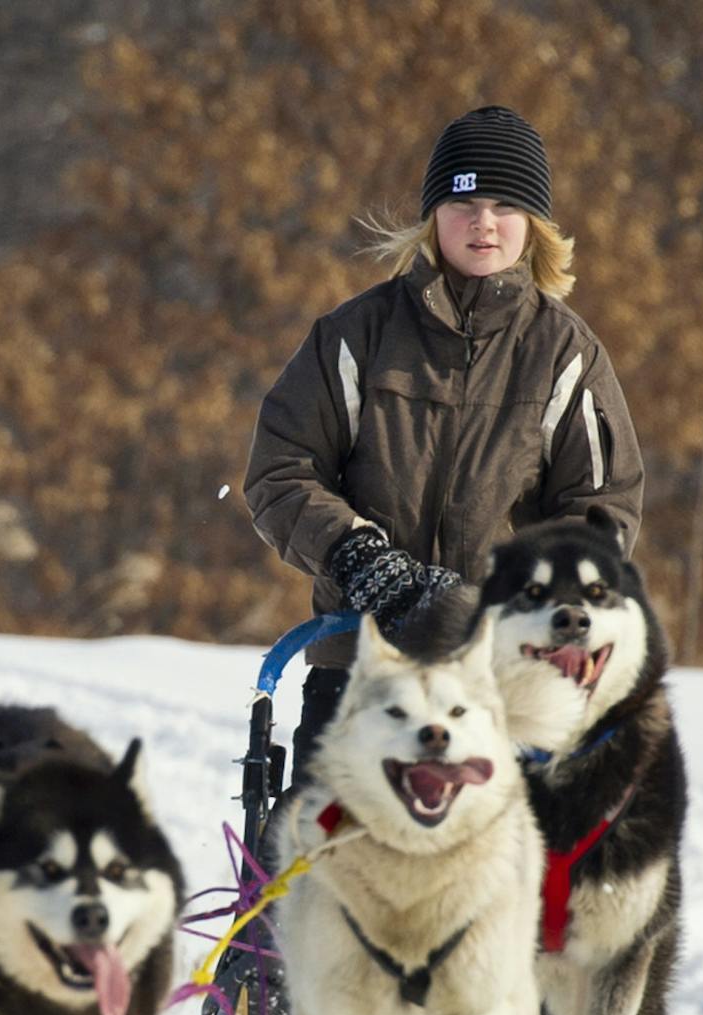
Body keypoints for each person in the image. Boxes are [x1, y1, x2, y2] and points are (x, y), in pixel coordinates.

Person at [243, 105, 645, 762]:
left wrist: (524, 600)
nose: (483, 222)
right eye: (465, 201)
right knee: (336, 853)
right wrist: (360, 560)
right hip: (361, 664)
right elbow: (280, 470)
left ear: (534, 226)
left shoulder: (565, 354)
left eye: (505, 205)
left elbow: (603, 508)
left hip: (502, 678)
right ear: (434, 215)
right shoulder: (356, 335)